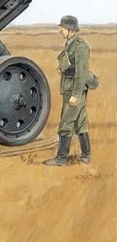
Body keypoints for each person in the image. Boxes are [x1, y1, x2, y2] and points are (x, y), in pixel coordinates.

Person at [44, 15, 91, 166]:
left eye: (62, 28)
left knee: (66, 123)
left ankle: (61, 158)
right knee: (80, 123)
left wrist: (75, 95)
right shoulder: (70, 44)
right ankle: (86, 156)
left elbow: (81, 73)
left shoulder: (80, 47)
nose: (60, 31)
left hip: (74, 91)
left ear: (71, 30)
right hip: (70, 88)